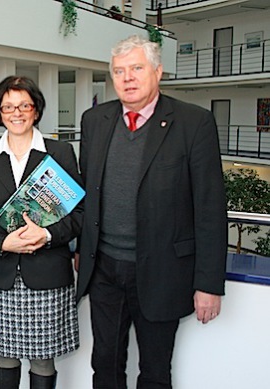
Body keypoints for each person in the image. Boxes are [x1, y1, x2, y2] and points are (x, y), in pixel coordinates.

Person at [76, 35, 227, 388]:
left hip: (163, 271)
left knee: (155, 374)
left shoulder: (194, 123)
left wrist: (208, 284)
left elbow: (210, 207)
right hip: (104, 272)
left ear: (158, 72)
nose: (127, 78)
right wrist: (81, 251)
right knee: (105, 366)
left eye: (136, 68)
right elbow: (87, 194)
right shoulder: (94, 120)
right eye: (118, 71)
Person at [0, 76, 83, 389]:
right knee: (4, 355)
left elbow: (80, 213)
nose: (16, 113)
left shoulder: (60, 152)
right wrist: (2, 241)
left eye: (23, 105)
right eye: (8, 107)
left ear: (36, 110)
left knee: (43, 358)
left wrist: (46, 235)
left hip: (47, 273)